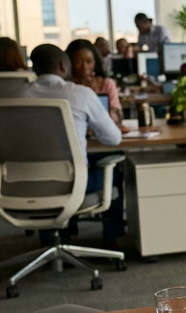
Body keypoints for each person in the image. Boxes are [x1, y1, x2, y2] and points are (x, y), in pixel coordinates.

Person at [21, 44, 125, 247]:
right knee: (115, 171)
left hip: (22, 183)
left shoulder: (15, 95)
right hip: (74, 182)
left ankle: (52, 242)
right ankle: (112, 238)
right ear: (63, 65)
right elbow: (113, 139)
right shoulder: (81, 94)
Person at [67, 39, 123, 124]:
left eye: (89, 62)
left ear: (95, 62)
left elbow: (116, 115)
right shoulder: (65, 86)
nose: (84, 67)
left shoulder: (106, 83)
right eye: (78, 62)